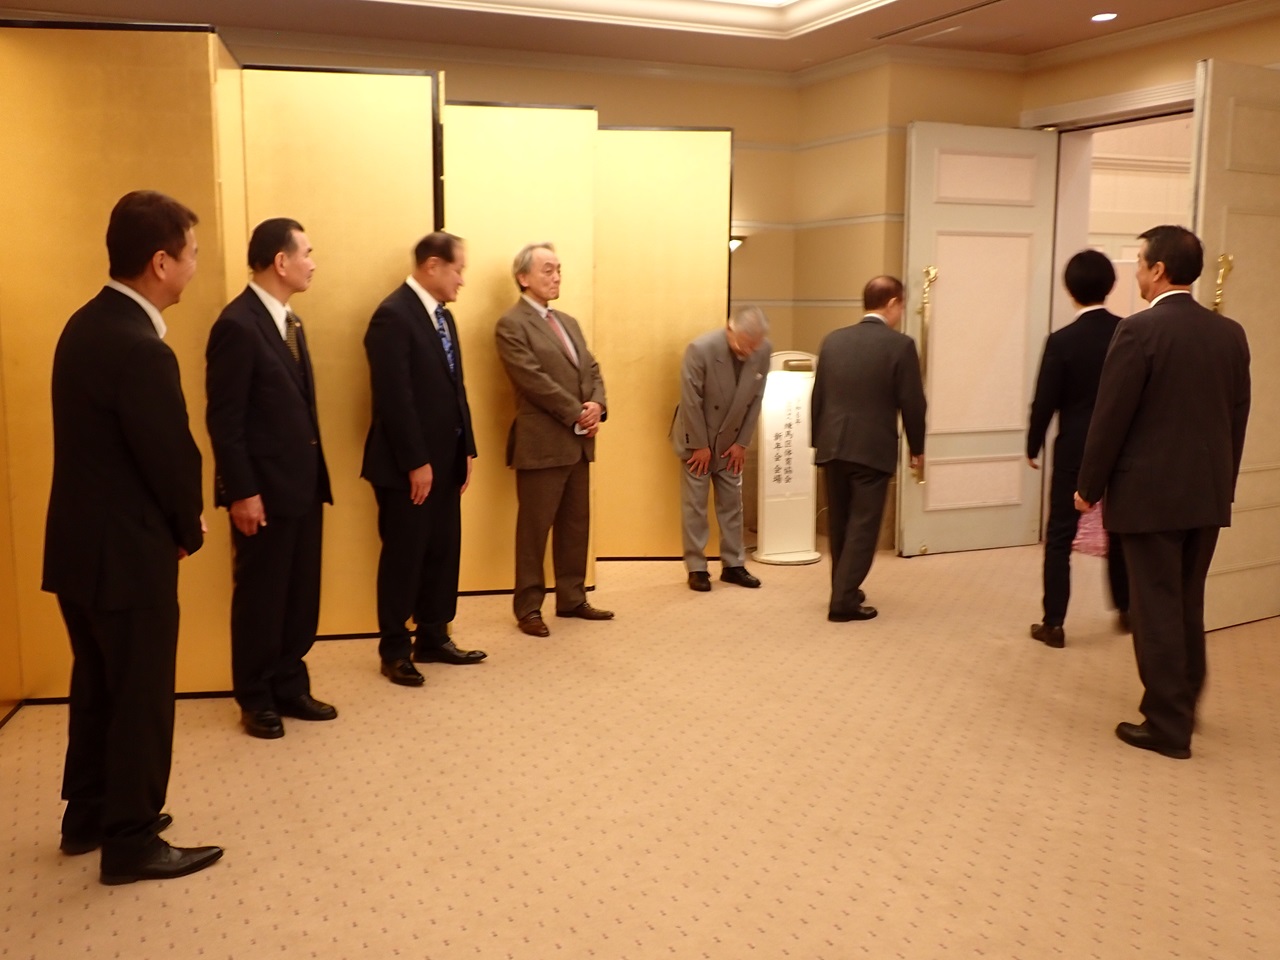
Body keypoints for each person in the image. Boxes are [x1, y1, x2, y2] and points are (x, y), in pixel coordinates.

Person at [41, 190, 223, 884]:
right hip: (128, 554)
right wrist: (186, 523)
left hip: (78, 550)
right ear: (160, 262)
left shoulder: (84, 325)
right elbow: (168, 455)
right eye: (192, 253)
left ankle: (88, 815)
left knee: (99, 687)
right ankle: (132, 840)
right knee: (141, 696)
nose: (195, 265)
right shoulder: (141, 348)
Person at [1076, 225, 1250, 760]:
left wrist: (1088, 487)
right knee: (1187, 601)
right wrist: (1224, 483)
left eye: (1139, 263)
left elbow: (1111, 417)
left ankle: (1167, 725)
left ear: (1159, 270)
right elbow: (1237, 418)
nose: (1136, 272)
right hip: (1206, 493)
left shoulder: (1138, 331)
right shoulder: (1229, 334)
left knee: (1155, 608)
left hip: (1148, 496)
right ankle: (1184, 702)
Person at [205, 218, 336, 738]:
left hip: (302, 486)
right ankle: (255, 695)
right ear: (281, 262)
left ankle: (289, 682)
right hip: (262, 493)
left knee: (299, 595)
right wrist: (242, 492)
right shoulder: (237, 325)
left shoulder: (291, 323)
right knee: (261, 598)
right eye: (307, 253)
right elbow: (225, 421)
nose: (313, 263)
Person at [362, 231, 484, 687]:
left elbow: (456, 389)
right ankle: (395, 649)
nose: (462, 280)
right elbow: (394, 397)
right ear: (433, 265)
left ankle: (433, 636)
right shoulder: (392, 315)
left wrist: (466, 447)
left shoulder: (443, 317)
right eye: (458, 270)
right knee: (404, 556)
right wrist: (416, 461)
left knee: (442, 550)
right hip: (405, 467)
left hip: (446, 459)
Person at [495, 242, 612, 637]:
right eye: (547, 270)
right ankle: (528, 607)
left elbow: (592, 369)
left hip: (578, 442)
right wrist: (578, 412)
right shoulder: (511, 324)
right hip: (542, 443)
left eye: (559, 269)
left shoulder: (569, 322)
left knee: (576, 525)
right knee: (534, 530)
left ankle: (572, 598)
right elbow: (532, 380)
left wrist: (597, 404)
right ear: (523, 277)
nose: (557, 276)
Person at [1026, 250, 1130, 649]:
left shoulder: (1061, 341)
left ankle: (1053, 624)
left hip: (1074, 449)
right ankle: (1127, 608)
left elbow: (1045, 401)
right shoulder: (1129, 332)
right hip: (1120, 447)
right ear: (1110, 285)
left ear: (1070, 290)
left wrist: (1033, 444)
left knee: (1059, 536)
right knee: (1120, 531)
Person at [811, 275, 926, 622]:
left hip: (833, 445)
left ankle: (843, 588)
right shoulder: (900, 346)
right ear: (892, 303)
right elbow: (913, 402)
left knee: (841, 523)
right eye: (902, 306)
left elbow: (819, 395)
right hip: (872, 449)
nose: (901, 313)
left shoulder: (833, 340)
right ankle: (843, 601)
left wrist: (818, 440)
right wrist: (917, 447)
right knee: (863, 526)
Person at [670, 305, 771, 592]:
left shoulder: (763, 350)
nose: (749, 352)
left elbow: (756, 400)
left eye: (754, 346)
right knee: (695, 505)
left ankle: (734, 564)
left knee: (732, 503)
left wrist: (742, 443)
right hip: (697, 437)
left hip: (732, 439)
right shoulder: (700, 349)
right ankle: (697, 567)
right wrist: (699, 445)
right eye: (744, 345)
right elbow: (691, 401)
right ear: (730, 330)